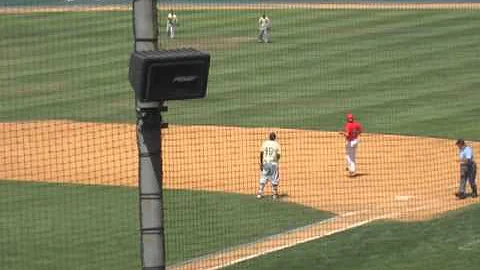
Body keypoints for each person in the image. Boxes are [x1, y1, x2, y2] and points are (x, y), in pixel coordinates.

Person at [257, 132, 281, 199]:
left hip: (265, 163)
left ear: (269, 137)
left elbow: (261, 153)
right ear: (275, 138)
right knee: (275, 178)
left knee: (264, 177)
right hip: (273, 163)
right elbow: (278, 155)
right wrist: (276, 160)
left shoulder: (265, 143)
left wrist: (261, 163)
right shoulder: (276, 144)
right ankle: (274, 194)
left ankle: (259, 193)